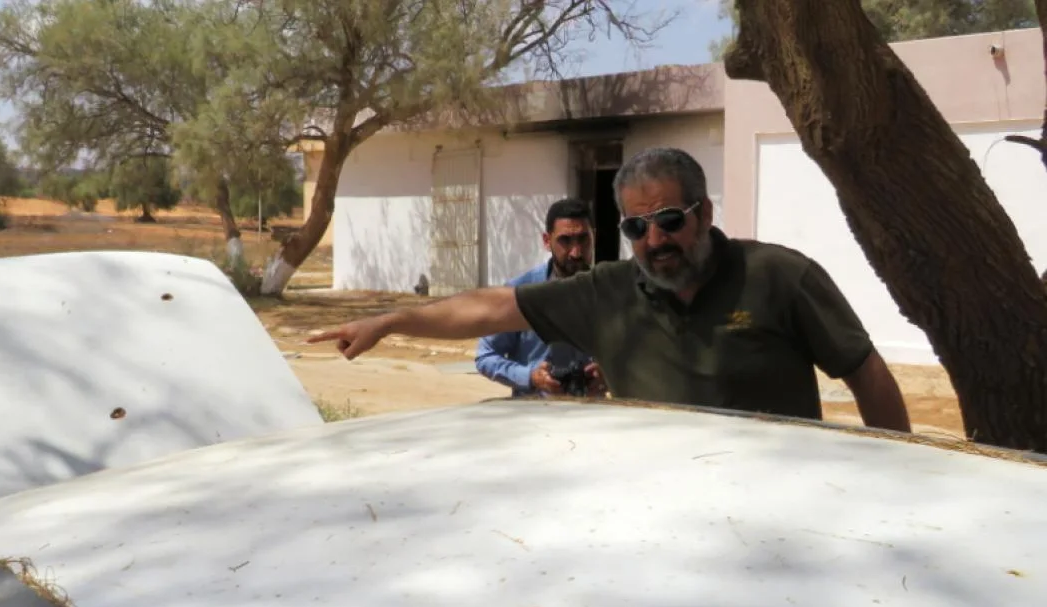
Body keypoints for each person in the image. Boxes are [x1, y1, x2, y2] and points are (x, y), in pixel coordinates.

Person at [308, 146, 911, 432]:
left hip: (780, 506)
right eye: (636, 227)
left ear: (704, 213)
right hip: (656, 506)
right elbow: (495, 305)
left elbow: (865, 372)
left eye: (670, 219)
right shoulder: (609, 291)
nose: (655, 240)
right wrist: (390, 321)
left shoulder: (781, 276)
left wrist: (893, 472)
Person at [474, 198, 607, 398]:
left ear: (594, 237)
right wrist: (530, 377)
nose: (576, 252)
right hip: (533, 418)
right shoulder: (520, 293)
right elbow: (485, 356)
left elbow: (636, 356)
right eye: (565, 240)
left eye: (583, 239)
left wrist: (609, 376)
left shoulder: (608, 292)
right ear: (547, 241)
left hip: (590, 419)